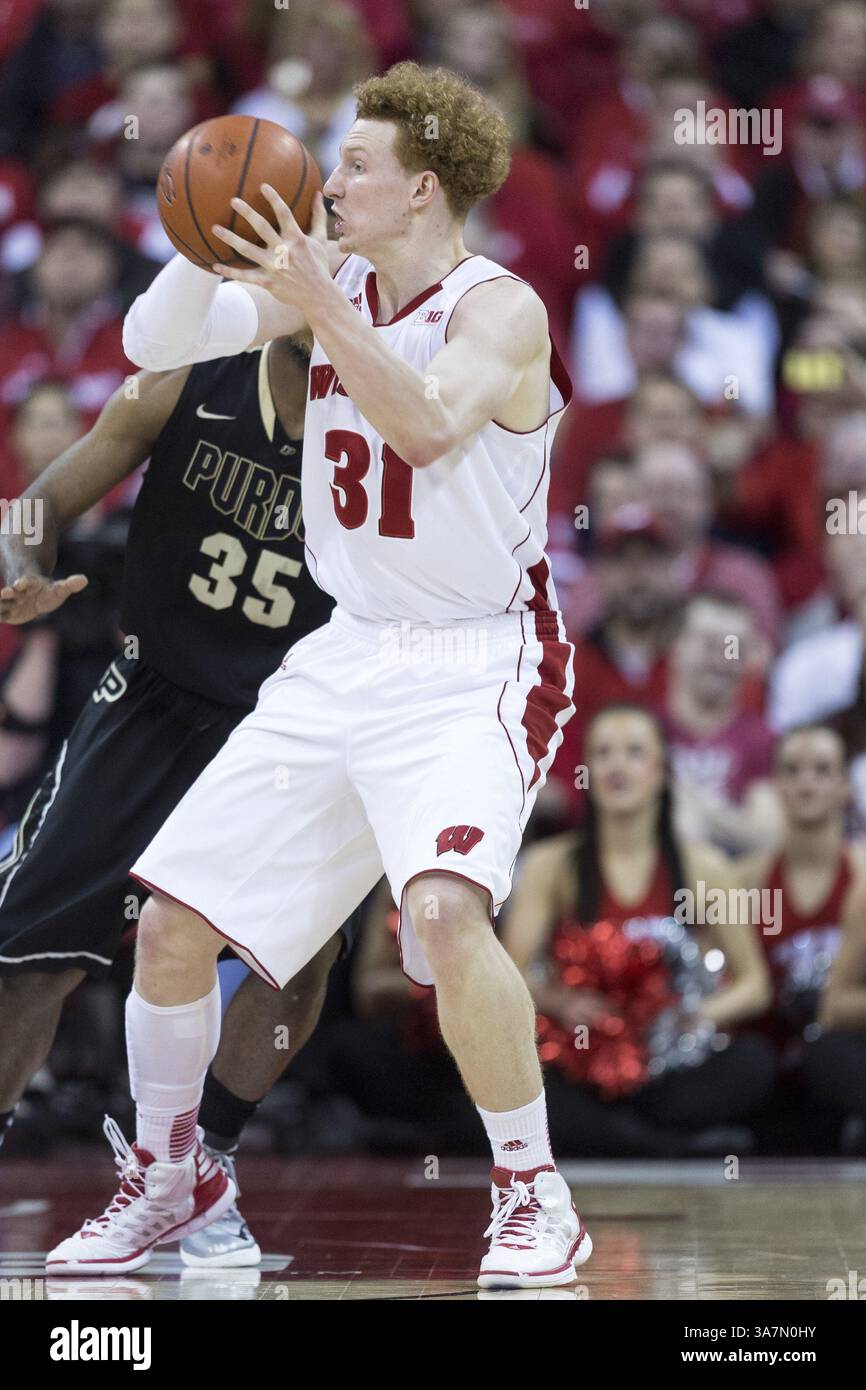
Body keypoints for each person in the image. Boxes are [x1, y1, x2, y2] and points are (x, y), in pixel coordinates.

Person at [49, 61, 590, 1290]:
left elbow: (427, 426)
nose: (329, 177)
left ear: (424, 188)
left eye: (355, 163)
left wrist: (315, 301)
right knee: (175, 930)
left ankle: (531, 1193)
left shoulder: (498, 310)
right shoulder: (326, 283)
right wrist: (206, 235)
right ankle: (174, 1179)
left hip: (476, 662)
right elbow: (152, 342)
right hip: (343, 649)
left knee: (445, 915)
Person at [0, 334, 351, 1268]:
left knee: (303, 962)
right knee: (29, 953)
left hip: (287, 723)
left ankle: (203, 1170)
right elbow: (36, 505)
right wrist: (17, 564)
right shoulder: (184, 381)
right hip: (153, 697)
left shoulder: (389, 418)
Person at [503, 705, 775, 1157]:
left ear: (663, 772)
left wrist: (696, 1015)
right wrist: (559, 1000)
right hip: (578, 1062)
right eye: (604, 754)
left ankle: (619, 1138)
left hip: (667, 1065)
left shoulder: (705, 866)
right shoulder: (552, 866)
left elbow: (755, 985)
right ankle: (666, 1146)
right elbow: (510, 976)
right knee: (508, 1083)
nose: (617, 766)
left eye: (634, 753)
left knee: (753, 1064)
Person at [737, 726, 866, 1148]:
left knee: (830, 1055)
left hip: (845, 1057)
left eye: (822, 770)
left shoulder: (863, 874)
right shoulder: (745, 880)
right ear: (775, 785)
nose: (806, 782)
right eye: (792, 770)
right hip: (770, 1072)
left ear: (845, 785)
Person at [663, 593, 782, 855]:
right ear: (676, 645)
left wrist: (686, 804)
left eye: (733, 647)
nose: (720, 659)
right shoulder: (644, 730)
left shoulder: (761, 741)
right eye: (708, 644)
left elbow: (766, 838)